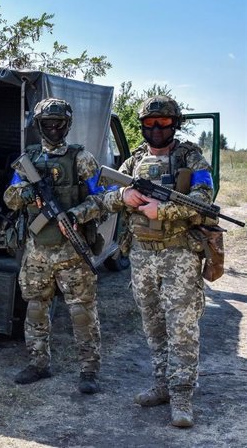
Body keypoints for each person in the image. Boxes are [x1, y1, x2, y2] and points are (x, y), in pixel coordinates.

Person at [77, 95, 213, 427]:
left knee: (181, 327)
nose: (156, 129)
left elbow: (204, 201)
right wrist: (122, 196)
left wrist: (162, 209)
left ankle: (181, 395)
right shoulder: (133, 162)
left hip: (179, 254)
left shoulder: (190, 157)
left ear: (174, 124)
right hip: (142, 256)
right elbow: (98, 196)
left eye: (163, 123)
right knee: (153, 325)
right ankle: (163, 385)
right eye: (150, 123)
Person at [3, 98, 103, 394]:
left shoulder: (81, 158)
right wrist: (27, 194)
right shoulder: (28, 159)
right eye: (47, 124)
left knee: (82, 311)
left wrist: (76, 214)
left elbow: (104, 199)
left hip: (73, 249)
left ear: (67, 125)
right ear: (38, 126)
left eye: (58, 124)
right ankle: (38, 363)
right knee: (35, 307)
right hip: (37, 250)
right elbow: (9, 197)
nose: (53, 129)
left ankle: (89, 370)